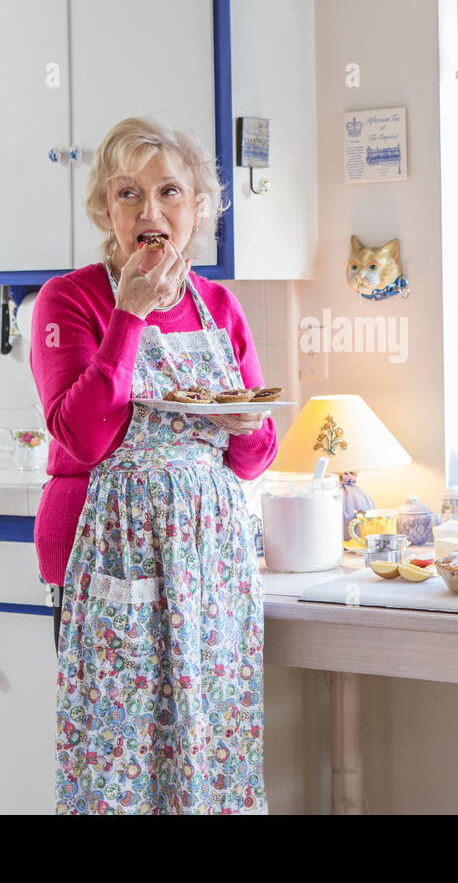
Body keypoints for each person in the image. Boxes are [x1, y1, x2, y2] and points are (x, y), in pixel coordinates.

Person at [29, 116, 276, 814]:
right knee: (121, 765)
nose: (150, 210)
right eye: (128, 193)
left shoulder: (219, 305)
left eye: (169, 190)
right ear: (107, 211)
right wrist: (129, 315)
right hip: (109, 558)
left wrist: (246, 425)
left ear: (198, 207)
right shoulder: (71, 299)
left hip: (211, 565)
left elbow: (254, 459)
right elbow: (84, 437)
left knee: (209, 747)